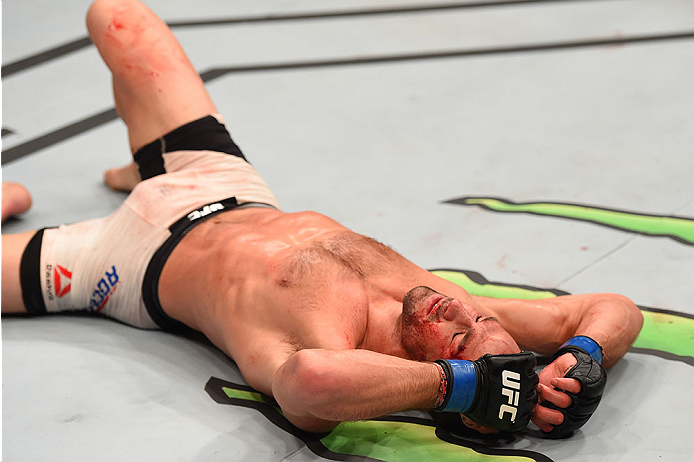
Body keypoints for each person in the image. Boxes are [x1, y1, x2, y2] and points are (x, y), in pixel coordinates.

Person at [0, 0, 643, 438]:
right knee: (117, 18)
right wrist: (584, 356)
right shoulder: (458, 305)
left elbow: (309, 385)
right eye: (480, 320)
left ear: (450, 373)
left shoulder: (343, 352)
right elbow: (616, 307)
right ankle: (144, 169)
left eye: (457, 340)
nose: (458, 313)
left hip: (121, 263)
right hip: (221, 182)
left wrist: (460, 385)